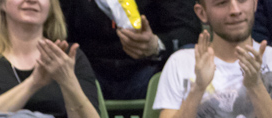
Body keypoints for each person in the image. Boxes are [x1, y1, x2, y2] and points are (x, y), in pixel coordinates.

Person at [58, 0, 201, 101]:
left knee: (189, 55)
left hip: (149, 72)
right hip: (88, 72)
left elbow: (188, 31)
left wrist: (156, 44)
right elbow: (55, 28)